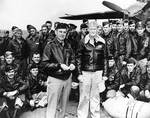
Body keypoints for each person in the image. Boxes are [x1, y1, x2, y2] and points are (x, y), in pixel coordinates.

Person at [42, 23, 76, 118]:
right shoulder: (50, 45)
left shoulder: (68, 44)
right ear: (56, 32)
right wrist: (59, 65)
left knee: (64, 105)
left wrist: (73, 64)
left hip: (67, 78)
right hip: (55, 78)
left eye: (64, 32)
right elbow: (44, 64)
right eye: (60, 32)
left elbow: (73, 57)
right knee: (52, 105)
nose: (62, 34)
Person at [76, 21, 108, 118]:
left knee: (95, 96)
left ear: (97, 30)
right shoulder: (82, 42)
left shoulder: (102, 42)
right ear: (88, 30)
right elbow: (78, 58)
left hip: (98, 72)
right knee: (84, 96)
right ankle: (82, 115)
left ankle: (95, 115)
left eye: (95, 29)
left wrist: (105, 74)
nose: (93, 31)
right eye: (91, 29)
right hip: (85, 72)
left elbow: (105, 58)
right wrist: (79, 73)